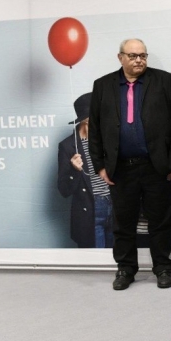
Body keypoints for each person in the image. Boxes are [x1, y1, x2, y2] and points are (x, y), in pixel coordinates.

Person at [88, 38, 171, 291]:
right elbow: (95, 129)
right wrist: (100, 166)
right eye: (133, 56)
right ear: (120, 57)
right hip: (120, 168)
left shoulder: (163, 80)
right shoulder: (103, 86)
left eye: (143, 55)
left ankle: (163, 267)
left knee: (161, 220)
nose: (139, 60)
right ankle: (125, 269)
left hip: (156, 166)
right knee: (122, 222)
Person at [57, 92, 113, 248]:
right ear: (86, 121)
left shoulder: (108, 140)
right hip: (91, 210)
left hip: (114, 207)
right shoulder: (68, 146)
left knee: (118, 260)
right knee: (96, 262)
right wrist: (74, 170)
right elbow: (63, 190)